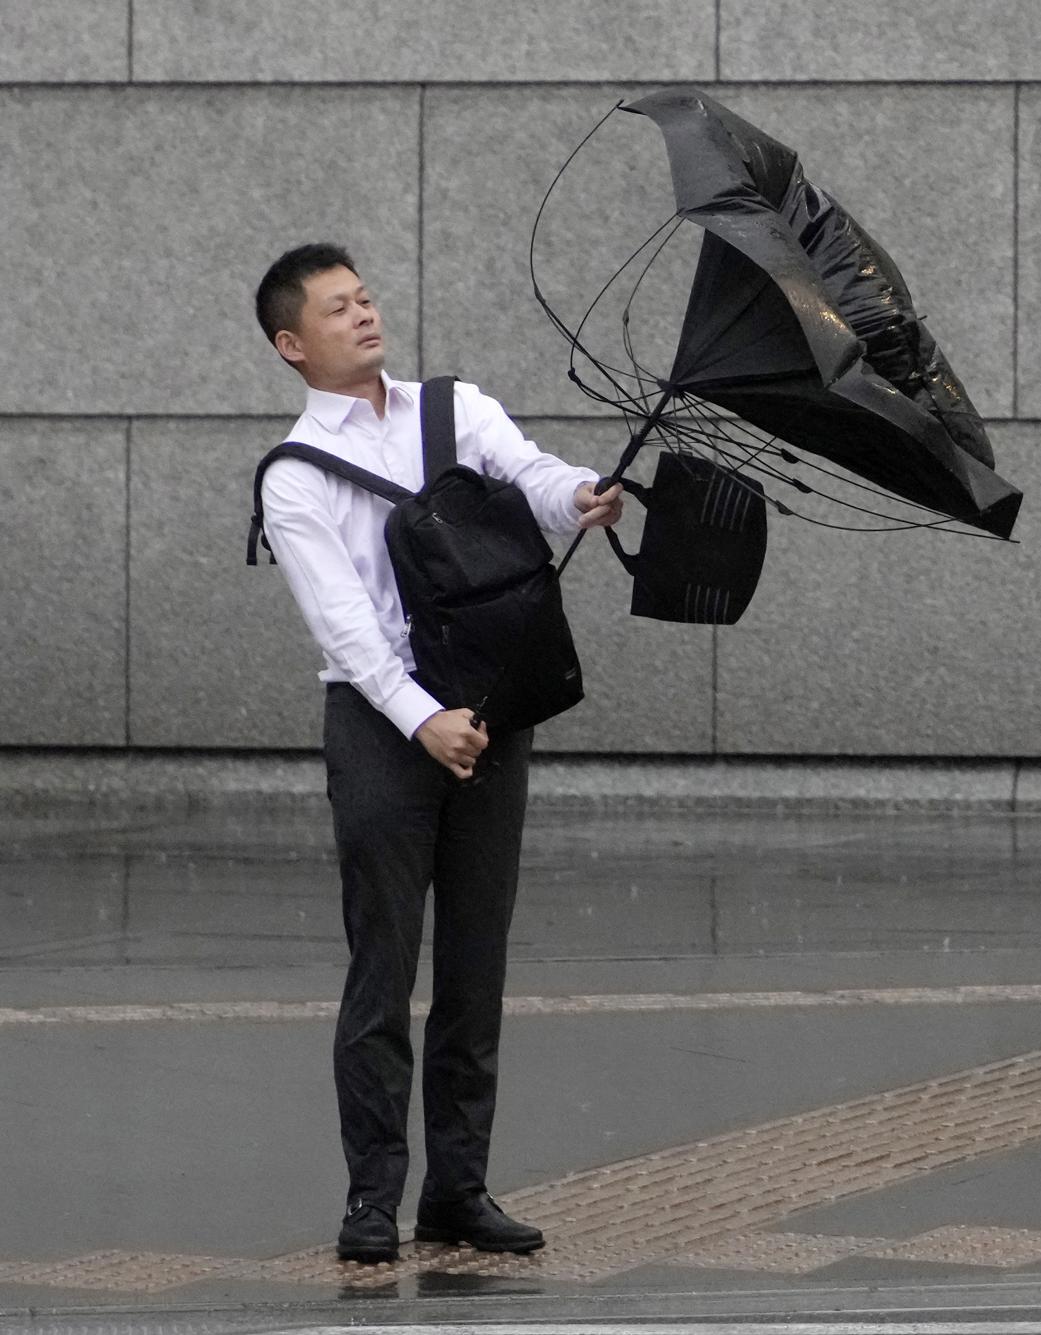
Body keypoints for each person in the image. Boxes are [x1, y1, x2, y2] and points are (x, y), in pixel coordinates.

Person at [252, 243, 625, 1262]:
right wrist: (421, 718)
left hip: (489, 709)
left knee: (475, 967)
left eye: (365, 298)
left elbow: (532, 477)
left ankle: (459, 1191)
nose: (363, 316)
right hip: (381, 729)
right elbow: (345, 630)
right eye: (336, 309)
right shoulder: (294, 476)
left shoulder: (453, 410)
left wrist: (582, 493)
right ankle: (373, 1196)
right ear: (293, 344)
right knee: (385, 968)